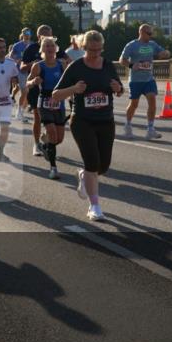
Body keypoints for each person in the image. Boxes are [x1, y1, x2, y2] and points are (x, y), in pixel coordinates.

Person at [52, 30, 123, 221]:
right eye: (92, 50)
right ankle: (95, 205)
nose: (96, 54)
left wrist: (118, 89)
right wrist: (74, 89)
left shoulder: (107, 65)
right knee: (92, 162)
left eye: (99, 50)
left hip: (106, 120)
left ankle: (84, 176)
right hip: (82, 121)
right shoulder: (76, 67)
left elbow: (119, 88)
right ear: (84, 48)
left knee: (103, 166)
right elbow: (56, 94)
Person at [20, 25, 70, 155]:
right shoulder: (31, 48)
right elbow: (22, 67)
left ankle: (46, 139)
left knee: (57, 132)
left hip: (56, 92)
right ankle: (36, 144)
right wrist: (33, 64)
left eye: (50, 35)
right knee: (37, 117)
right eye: (45, 35)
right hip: (39, 90)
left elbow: (69, 62)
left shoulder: (54, 47)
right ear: (39, 36)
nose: (48, 39)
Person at [119, 24, 170, 140]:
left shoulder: (152, 45)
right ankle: (127, 125)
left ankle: (150, 129)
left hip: (148, 79)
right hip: (136, 80)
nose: (151, 36)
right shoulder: (132, 45)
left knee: (152, 100)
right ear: (141, 32)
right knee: (134, 104)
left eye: (151, 33)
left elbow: (165, 52)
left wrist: (165, 53)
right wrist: (132, 65)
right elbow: (122, 60)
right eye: (149, 33)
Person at [28, 36, 68, 179]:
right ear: (42, 49)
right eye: (47, 46)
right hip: (44, 102)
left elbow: (68, 81)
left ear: (56, 48)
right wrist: (33, 81)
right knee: (52, 132)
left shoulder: (61, 64)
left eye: (52, 46)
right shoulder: (38, 66)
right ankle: (53, 169)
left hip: (59, 103)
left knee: (59, 139)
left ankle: (44, 144)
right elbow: (27, 84)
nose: (50, 48)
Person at [10, 28, 32, 121]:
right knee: (24, 91)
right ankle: (19, 112)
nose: (26, 34)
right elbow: (11, 56)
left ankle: (21, 111)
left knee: (28, 93)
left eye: (28, 33)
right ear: (22, 34)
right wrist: (17, 60)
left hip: (32, 71)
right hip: (21, 71)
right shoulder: (17, 45)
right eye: (25, 33)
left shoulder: (33, 45)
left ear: (31, 34)